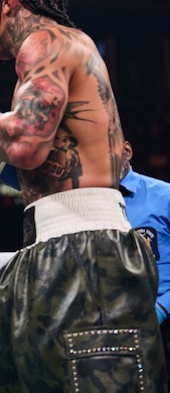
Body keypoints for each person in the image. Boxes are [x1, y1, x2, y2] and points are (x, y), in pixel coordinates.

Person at [0, 0, 166, 391]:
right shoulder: (48, 55)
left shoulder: (48, 42)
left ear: (7, 1)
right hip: (46, 247)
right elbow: (51, 161)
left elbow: (26, 143)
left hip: (88, 256)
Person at [121, 139, 170, 385]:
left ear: (127, 151)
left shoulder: (164, 195)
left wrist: (162, 308)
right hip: (116, 327)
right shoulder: (88, 205)